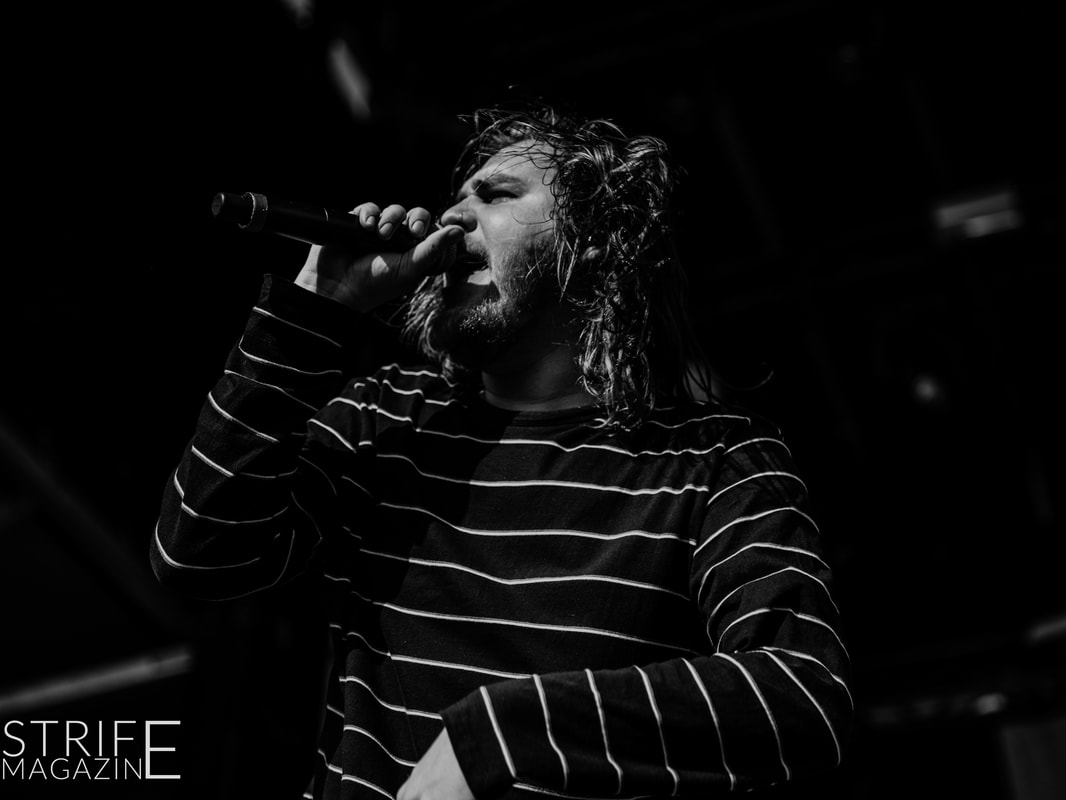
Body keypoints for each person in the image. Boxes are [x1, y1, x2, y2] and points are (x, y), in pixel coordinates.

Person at [151, 103, 853, 800]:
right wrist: (315, 305)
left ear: (595, 241)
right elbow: (198, 551)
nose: (451, 219)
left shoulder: (715, 457)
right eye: (455, 199)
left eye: (495, 196)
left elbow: (800, 694)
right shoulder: (388, 418)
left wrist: (505, 735)